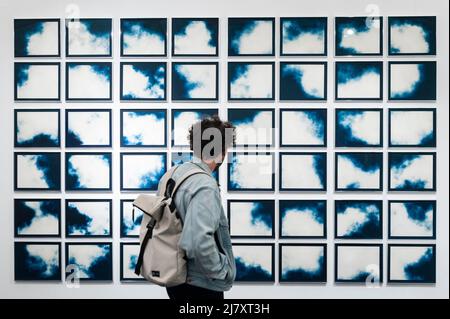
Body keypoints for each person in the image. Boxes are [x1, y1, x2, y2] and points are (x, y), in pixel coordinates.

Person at [164, 115, 236, 301]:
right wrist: (221, 271)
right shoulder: (205, 185)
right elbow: (198, 242)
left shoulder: (172, 174)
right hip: (200, 286)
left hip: (175, 279)